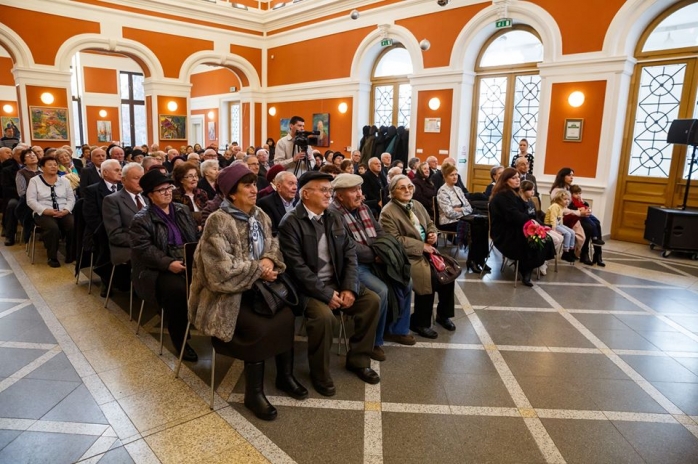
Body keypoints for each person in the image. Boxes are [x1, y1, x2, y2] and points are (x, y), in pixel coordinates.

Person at [189, 164, 307, 421]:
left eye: (255, 184)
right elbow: (219, 272)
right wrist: (259, 270)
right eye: (248, 185)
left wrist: (269, 261)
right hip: (224, 296)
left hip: (257, 289)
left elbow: (274, 243)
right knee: (259, 327)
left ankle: (285, 376)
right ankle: (253, 393)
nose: (255, 189)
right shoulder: (218, 221)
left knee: (286, 316)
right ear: (231, 193)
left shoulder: (259, 214)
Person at [278, 171, 381, 396]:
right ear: (306, 194)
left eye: (330, 190)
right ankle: (320, 373)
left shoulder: (334, 217)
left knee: (372, 300)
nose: (329, 195)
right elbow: (297, 269)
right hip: (307, 289)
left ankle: (358, 360)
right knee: (324, 317)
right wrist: (326, 294)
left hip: (336, 282)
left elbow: (350, 253)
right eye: (324, 190)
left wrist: (348, 287)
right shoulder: (291, 223)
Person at [330, 174, 415, 356]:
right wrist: (377, 254)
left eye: (360, 189)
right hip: (352, 267)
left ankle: (397, 330)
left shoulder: (364, 208)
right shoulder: (333, 214)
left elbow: (380, 232)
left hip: (375, 259)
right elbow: (348, 247)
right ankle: (373, 341)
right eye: (353, 190)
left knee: (405, 280)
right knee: (381, 291)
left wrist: (383, 252)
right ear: (339, 195)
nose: (359, 194)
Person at [130, 169, 199, 361]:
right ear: (150, 195)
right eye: (161, 190)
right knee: (177, 291)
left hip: (186, 259)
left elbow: (194, 236)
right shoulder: (141, 219)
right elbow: (144, 250)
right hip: (156, 269)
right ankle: (181, 340)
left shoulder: (182, 209)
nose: (168, 192)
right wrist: (168, 263)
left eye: (169, 188)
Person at [380, 175, 456, 339]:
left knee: (448, 275)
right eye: (402, 187)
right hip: (406, 257)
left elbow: (430, 223)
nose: (407, 190)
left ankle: (444, 315)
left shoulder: (417, 204)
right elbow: (395, 240)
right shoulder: (388, 212)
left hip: (427, 251)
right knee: (429, 279)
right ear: (393, 191)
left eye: (409, 186)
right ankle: (420, 322)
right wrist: (422, 246)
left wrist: (432, 234)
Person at [490, 168, 552, 287]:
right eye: (513, 178)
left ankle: (527, 267)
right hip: (504, 233)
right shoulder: (502, 196)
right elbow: (512, 215)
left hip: (516, 226)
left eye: (518, 177)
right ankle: (526, 270)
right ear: (505, 181)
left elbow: (524, 211)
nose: (517, 180)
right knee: (531, 240)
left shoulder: (514, 193)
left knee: (544, 239)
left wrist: (533, 221)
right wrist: (530, 221)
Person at [437, 163, 489, 274]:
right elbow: (449, 213)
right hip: (449, 221)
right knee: (475, 227)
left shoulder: (458, 189)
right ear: (445, 177)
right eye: (452, 175)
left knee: (484, 224)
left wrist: (460, 209)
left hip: (463, 218)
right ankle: (472, 260)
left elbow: (469, 207)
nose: (455, 177)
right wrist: (462, 210)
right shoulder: (442, 191)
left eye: (456, 174)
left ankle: (481, 258)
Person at [25, 156, 76, 267]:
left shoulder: (64, 180)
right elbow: (30, 200)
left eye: (55, 164)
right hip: (43, 212)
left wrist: (66, 210)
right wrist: (45, 210)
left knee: (72, 225)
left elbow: (71, 198)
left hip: (63, 211)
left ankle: (71, 254)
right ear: (42, 167)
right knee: (53, 228)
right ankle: (52, 257)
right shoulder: (35, 181)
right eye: (50, 164)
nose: (53, 167)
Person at [82, 159, 123, 296]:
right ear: (105, 173)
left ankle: (126, 279)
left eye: (121, 169)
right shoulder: (92, 190)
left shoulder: (124, 188)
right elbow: (91, 216)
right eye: (116, 170)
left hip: (121, 228)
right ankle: (107, 280)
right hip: (99, 229)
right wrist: (109, 229)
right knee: (107, 241)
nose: (120, 172)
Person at [102, 162, 145, 287]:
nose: (140, 182)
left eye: (142, 178)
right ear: (123, 180)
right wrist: (143, 241)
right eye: (136, 178)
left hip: (150, 244)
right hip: (127, 247)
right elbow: (115, 235)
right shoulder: (112, 200)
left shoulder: (148, 197)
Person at [550, 167, 592, 263]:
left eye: (572, 175)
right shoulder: (557, 190)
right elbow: (562, 209)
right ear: (562, 176)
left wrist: (582, 208)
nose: (572, 177)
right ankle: (574, 252)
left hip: (571, 215)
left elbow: (574, 204)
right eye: (569, 175)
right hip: (561, 218)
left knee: (592, 223)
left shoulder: (569, 188)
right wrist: (579, 212)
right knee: (587, 227)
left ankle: (592, 252)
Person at [570, 184, 605, 266]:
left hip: (583, 215)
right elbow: (570, 207)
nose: (578, 195)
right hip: (575, 217)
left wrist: (585, 205)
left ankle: (598, 254)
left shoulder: (578, 198)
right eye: (576, 193)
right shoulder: (569, 196)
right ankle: (584, 253)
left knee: (597, 223)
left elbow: (585, 204)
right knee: (589, 227)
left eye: (579, 193)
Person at [256, 171, 297, 236]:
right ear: (279, 186)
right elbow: (272, 233)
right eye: (291, 183)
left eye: (296, 184)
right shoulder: (266, 203)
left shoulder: (300, 200)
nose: (295, 187)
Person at [545, 190, 577, 263]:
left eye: (568, 199)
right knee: (567, 234)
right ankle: (566, 251)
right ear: (559, 199)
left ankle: (570, 249)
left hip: (558, 224)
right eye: (565, 199)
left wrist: (562, 226)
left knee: (572, 232)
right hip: (551, 225)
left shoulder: (561, 207)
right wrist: (554, 229)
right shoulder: (555, 206)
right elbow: (553, 219)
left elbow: (560, 219)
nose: (567, 201)